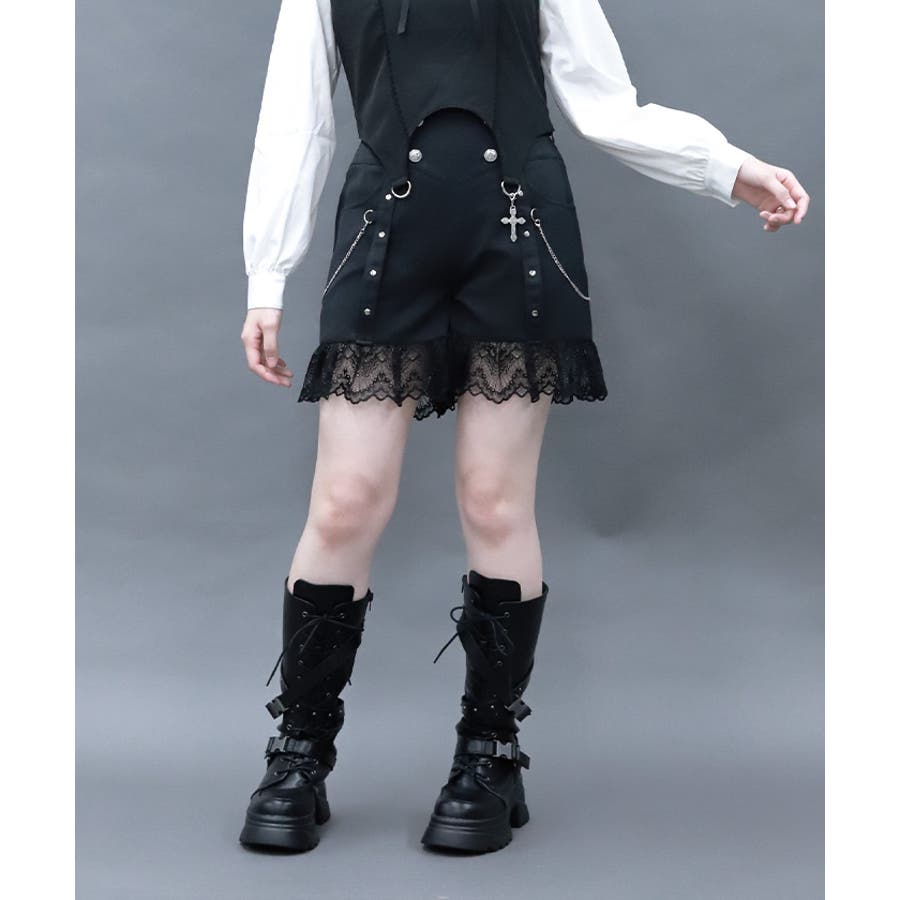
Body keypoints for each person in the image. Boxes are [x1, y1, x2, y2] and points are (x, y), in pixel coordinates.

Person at [237, 0, 810, 855]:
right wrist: (267, 276)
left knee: (494, 501)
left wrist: (729, 169)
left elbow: (604, 103)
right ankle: (299, 753)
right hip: (383, 239)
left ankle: (490, 755)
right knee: (345, 500)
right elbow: (297, 122)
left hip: (518, 235)